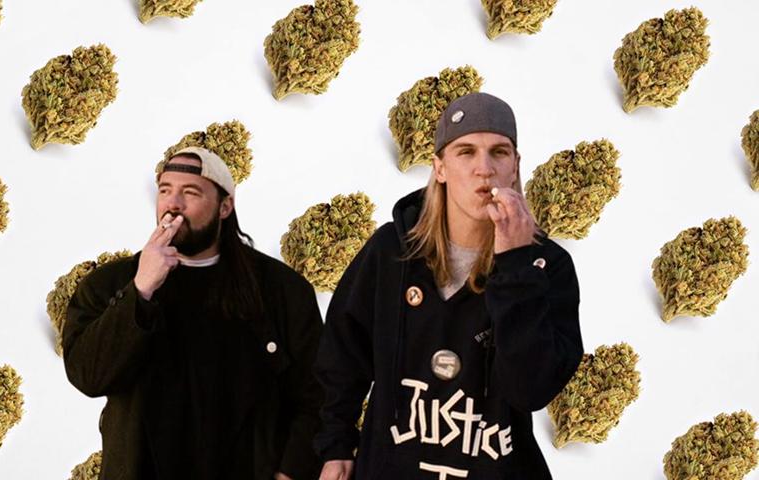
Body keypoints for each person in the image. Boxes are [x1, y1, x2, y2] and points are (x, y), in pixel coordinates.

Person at [314, 92, 584, 479]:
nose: (484, 169)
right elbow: (341, 356)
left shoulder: (546, 266)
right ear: (439, 168)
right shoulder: (392, 250)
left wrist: (514, 266)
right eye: (466, 152)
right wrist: (336, 445)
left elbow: (530, 390)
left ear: (515, 167)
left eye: (499, 152)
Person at [62, 146, 324, 480]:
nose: (173, 204)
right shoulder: (111, 283)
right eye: (165, 190)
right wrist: (140, 291)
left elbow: (316, 392)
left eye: (190, 192)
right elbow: (88, 376)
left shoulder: (280, 289)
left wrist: (291, 471)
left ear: (225, 206)